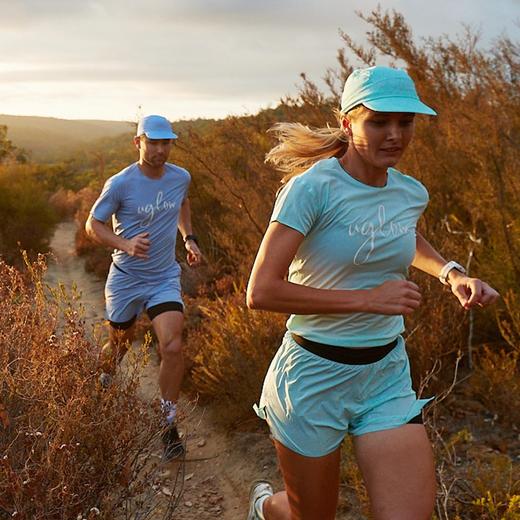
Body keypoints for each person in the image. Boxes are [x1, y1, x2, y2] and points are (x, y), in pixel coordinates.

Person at [246, 66, 499, 520]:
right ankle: (266, 508)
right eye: (379, 122)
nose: (395, 135)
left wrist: (451, 273)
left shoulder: (409, 192)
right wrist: (364, 300)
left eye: (406, 122)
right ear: (348, 123)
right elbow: (261, 291)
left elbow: (405, 236)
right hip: (312, 376)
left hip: (385, 373)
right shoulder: (311, 189)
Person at [85, 114, 202, 461]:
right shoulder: (121, 183)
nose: (160, 150)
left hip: (164, 277)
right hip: (125, 278)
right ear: (138, 143)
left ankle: (167, 425)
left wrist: (190, 238)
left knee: (173, 345)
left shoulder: (181, 176)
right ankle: (104, 380)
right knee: (119, 344)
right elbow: (94, 224)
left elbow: (182, 202)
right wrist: (125, 244)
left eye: (166, 143)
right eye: (153, 142)